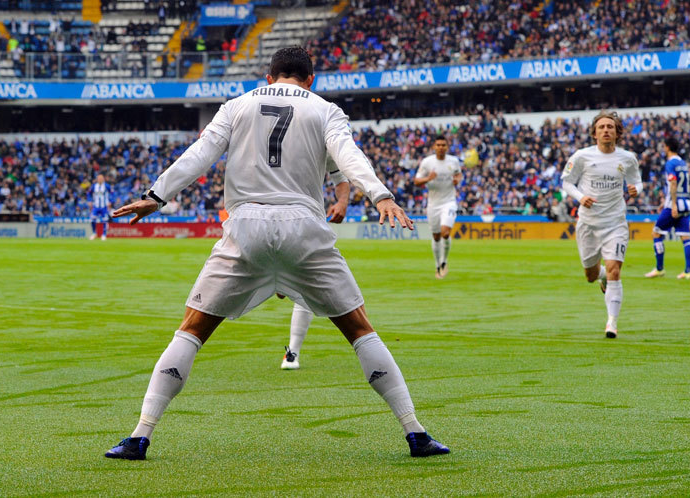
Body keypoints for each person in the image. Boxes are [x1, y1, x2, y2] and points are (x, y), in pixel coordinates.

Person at [104, 47, 448, 460]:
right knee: (359, 329)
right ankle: (415, 433)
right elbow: (348, 157)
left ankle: (140, 436)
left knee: (192, 329)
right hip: (304, 228)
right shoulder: (325, 109)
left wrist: (156, 196)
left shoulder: (236, 106)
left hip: (246, 227)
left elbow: (200, 154)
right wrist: (381, 196)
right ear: (311, 79)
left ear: (269, 77)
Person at [561, 111, 642, 339]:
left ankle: (612, 323)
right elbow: (567, 183)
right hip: (588, 224)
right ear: (594, 133)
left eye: (610, 127)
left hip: (615, 223)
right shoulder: (582, 156)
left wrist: (637, 190)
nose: (606, 130)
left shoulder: (627, 158)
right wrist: (580, 197)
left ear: (617, 133)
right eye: (601, 127)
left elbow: (637, 181)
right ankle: (602, 275)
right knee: (590, 274)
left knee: (616, 270)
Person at [281, 160, 350, 370]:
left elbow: (341, 179)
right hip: (266, 223)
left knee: (304, 287)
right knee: (279, 287)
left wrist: (342, 202)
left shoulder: (319, 137)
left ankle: (292, 352)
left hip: (308, 223)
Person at [413, 135, 462, 279]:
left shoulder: (454, 161)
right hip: (433, 204)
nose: (441, 147)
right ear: (434, 147)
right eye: (438, 145)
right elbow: (416, 181)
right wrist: (428, 178)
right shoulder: (427, 163)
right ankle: (437, 264)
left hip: (449, 201)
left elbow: (459, 174)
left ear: (447, 147)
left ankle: (444, 261)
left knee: (445, 233)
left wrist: (457, 180)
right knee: (436, 237)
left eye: (443, 145)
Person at [645, 137, 690, 280]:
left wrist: (672, 204)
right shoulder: (683, 163)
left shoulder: (670, 163)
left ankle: (659, 269)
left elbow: (673, 183)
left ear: (667, 147)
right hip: (685, 202)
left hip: (675, 204)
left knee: (656, 234)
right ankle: (687, 271)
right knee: (685, 237)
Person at [89, 174, 114, 240]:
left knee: (105, 220)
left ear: (103, 179)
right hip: (96, 206)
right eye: (99, 178)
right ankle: (94, 233)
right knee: (92, 219)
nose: (100, 180)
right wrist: (89, 201)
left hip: (104, 206)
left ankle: (104, 234)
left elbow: (112, 193)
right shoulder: (94, 186)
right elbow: (89, 193)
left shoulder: (106, 186)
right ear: (97, 179)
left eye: (101, 178)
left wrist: (110, 201)